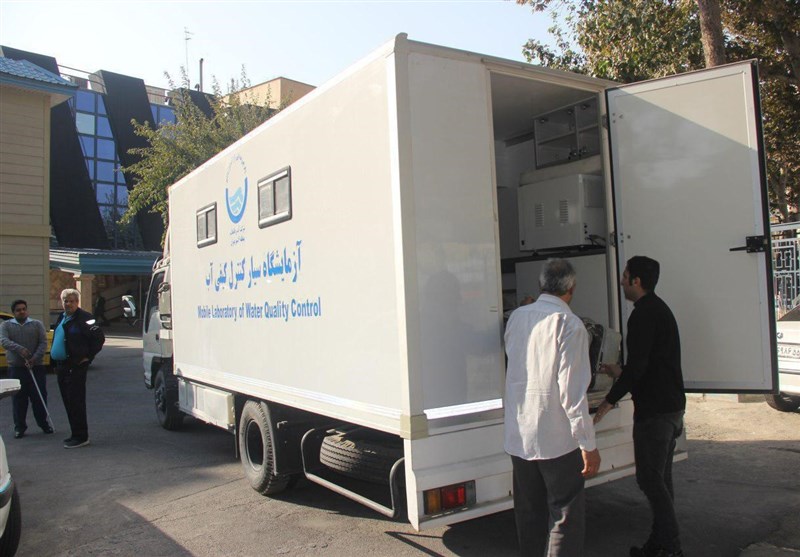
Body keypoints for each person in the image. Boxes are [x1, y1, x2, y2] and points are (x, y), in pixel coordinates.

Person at [504, 258, 601, 557]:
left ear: (541, 285)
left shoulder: (517, 318)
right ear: (571, 289)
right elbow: (572, 393)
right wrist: (588, 444)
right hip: (557, 440)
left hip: (520, 435)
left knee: (529, 514)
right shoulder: (570, 325)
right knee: (564, 516)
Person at [594, 256, 686, 557]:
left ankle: (671, 546)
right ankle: (658, 545)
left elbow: (639, 367)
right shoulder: (658, 309)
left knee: (649, 480)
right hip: (670, 407)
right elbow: (647, 364)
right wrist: (619, 372)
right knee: (660, 481)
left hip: (655, 412)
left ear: (636, 281)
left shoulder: (643, 315)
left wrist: (609, 400)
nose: (621, 281)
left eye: (625, 276)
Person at [0, 299, 53, 438]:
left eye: (24, 309)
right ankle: (20, 427)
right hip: (16, 368)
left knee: (39, 397)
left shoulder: (36, 324)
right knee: (18, 399)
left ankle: (44, 424)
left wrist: (34, 358)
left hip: (36, 367)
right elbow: (4, 341)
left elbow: (43, 343)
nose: (22, 312)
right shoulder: (6, 325)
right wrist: (20, 349)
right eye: (18, 310)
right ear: (13, 312)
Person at [51, 288, 97, 449]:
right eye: (66, 301)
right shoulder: (62, 317)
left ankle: (81, 436)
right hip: (62, 367)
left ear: (77, 302)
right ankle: (74, 433)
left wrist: (88, 357)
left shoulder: (85, 318)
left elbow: (98, 338)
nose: (68, 304)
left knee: (76, 402)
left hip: (75, 367)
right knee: (68, 402)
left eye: (71, 301)